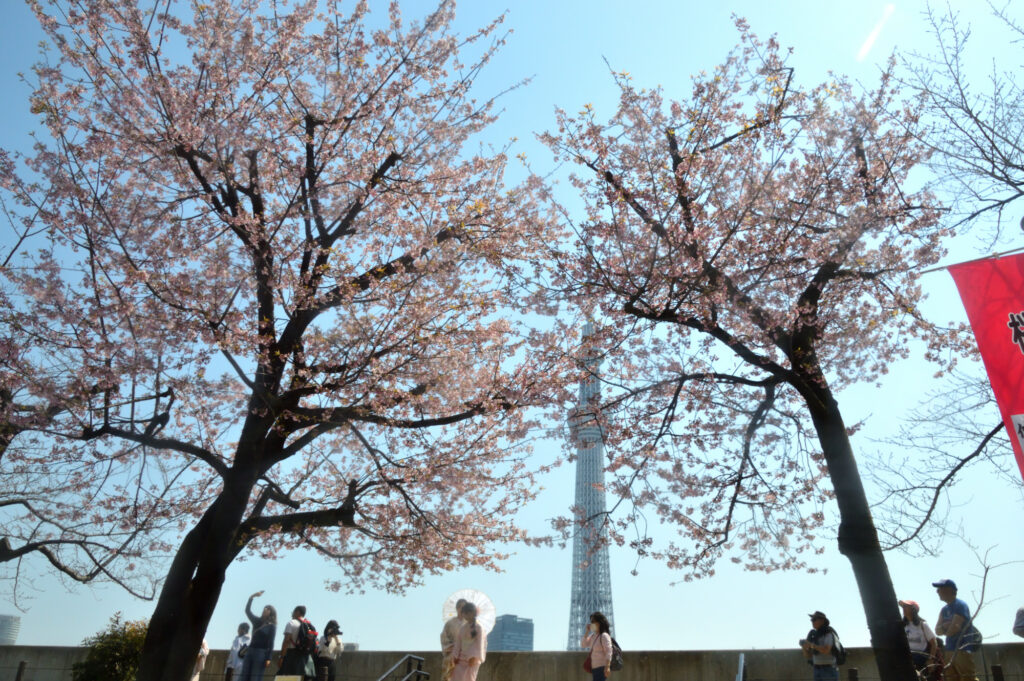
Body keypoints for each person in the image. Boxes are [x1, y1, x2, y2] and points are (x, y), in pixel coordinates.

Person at [933, 578, 981, 681]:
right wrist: (946, 626)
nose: (937, 592)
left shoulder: (960, 605)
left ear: (949, 590)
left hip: (962, 650)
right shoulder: (944, 609)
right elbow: (937, 631)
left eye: (939, 589)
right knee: (952, 679)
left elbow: (954, 629)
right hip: (949, 650)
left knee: (968, 678)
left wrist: (945, 628)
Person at [239, 591, 277, 681]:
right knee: (243, 676)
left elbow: (271, 643)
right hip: (250, 650)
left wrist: (268, 658)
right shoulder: (257, 621)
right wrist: (252, 597)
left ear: (271, 613)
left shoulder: (271, 626)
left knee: (255, 677)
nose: (265, 609)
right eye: (265, 608)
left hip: (261, 652)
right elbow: (247, 611)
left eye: (268, 609)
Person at [899, 599, 939, 676]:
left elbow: (934, 643)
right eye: (903, 606)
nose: (903, 608)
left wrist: (931, 660)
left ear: (913, 609)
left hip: (921, 659)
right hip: (908, 658)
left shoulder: (922, 625)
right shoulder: (903, 626)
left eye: (906, 606)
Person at [451, 602, 487, 681]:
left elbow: (479, 644)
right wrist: (455, 656)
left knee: (469, 678)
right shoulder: (463, 628)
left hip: (472, 659)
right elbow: (458, 643)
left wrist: (474, 657)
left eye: (466, 613)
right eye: (464, 613)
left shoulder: (479, 628)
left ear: (472, 613)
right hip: (461, 659)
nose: (464, 615)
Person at [278, 605, 315, 680]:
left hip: (292, 656)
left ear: (297, 612)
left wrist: (281, 657)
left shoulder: (291, 623)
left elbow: (286, 641)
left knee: (286, 678)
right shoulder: (309, 625)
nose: (292, 614)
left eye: (293, 612)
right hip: (306, 657)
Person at [800, 611, 837, 681]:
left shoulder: (828, 633)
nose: (812, 622)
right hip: (816, 669)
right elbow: (808, 656)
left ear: (822, 621)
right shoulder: (814, 635)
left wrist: (811, 645)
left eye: (814, 620)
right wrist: (804, 647)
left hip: (828, 669)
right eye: (811, 620)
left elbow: (826, 650)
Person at [580, 611, 613, 681]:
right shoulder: (593, 636)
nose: (591, 624)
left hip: (602, 668)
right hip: (594, 668)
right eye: (591, 622)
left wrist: (607, 666)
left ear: (599, 623)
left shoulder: (604, 636)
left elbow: (609, 651)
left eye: (593, 622)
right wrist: (587, 631)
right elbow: (583, 644)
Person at [441, 598, 468, 681]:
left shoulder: (470, 624)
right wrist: (453, 646)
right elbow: (444, 638)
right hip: (451, 655)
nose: (462, 609)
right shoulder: (449, 623)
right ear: (457, 608)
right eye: (460, 607)